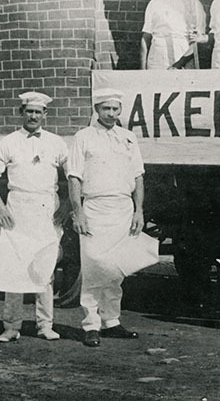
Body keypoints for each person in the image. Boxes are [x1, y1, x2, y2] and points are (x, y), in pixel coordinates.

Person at [67, 88, 159, 348]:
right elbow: (74, 177)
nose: (111, 114)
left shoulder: (128, 138)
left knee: (116, 269)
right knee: (95, 266)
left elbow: (139, 176)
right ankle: (91, 324)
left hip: (123, 209)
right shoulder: (83, 137)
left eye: (115, 109)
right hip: (95, 208)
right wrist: (78, 211)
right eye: (106, 108)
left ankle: (112, 321)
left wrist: (139, 210)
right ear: (97, 109)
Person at [0, 91, 69, 343]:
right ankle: (11, 326)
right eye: (29, 111)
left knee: (46, 268)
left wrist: (67, 206)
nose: (33, 116)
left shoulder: (57, 143)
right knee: (14, 268)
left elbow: (73, 175)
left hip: (46, 210)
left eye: (38, 112)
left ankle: (45, 325)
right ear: (21, 113)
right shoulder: (8, 142)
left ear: (46, 114)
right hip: (17, 210)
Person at [140, 0, 206, 69]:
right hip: (157, 61)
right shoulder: (155, 3)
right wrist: (142, 70)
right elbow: (146, 37)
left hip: (182, 59)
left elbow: (198, 40)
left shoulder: (193, 3)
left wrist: (180, 63)